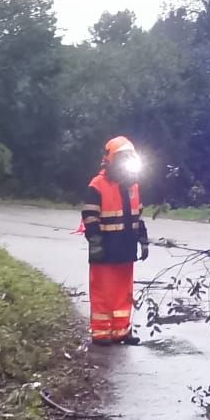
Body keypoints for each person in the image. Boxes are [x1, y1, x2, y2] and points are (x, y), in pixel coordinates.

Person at [81, 135, 149, 344]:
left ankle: (121, 330)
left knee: (124, 292)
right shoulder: (98, 185)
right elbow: (89, 215)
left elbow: (138, 215)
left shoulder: (132, 187)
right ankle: (101, 332)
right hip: (105, 248)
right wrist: (95, 242)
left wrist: (143, 240)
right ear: (110, 160)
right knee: (103, 292)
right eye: (122, 157)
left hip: (126, 249)